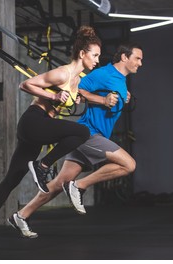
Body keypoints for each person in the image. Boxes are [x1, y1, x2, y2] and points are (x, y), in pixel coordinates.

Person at [0, 26, 102, 249]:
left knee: (12, 179)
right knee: (82, 132)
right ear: (82, 54)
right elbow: (25, 84)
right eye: (95, 55)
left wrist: (71, 102)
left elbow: (62, 103)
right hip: (33, 122)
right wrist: (54, 94)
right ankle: (42, 166)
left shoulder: (77, 80)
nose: (97, 60)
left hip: (40, 129)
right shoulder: (62, 73)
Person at [10, 42, 143, 236]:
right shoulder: (104, 73)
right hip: (89, 133)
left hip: (91, 135)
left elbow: (109, 94)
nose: (140, 63)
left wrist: (124, 96)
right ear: (124, 57)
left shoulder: (120, 80)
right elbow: (77, 88)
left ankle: (21, 215)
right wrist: (102, 100)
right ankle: (79, 186)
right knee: (128, 165)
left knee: (57, 184)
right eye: (137, 58)